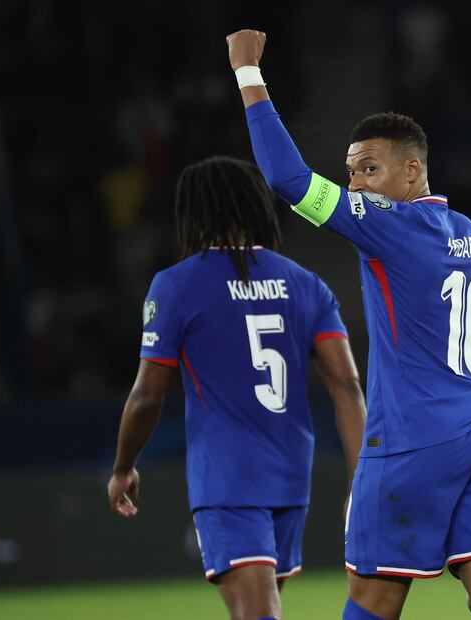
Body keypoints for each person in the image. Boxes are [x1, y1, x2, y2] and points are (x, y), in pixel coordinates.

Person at [226, 29, 471, 620]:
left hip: (415, 438)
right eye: (350, 171)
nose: (355, 184)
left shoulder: (388, 224)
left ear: (413, 170)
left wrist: (246, 74)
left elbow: (288, 181)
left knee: (372, 601)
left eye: (368, 168)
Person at [107, 156, 366, 620]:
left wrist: (124, 465)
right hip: (291, 474)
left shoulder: (176, 286)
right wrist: (359, 479)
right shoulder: (307, 285)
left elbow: (148, 395)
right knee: (261, 607)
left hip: (226, 476)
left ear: (194, 212)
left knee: (257, 613)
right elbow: (346, 383)